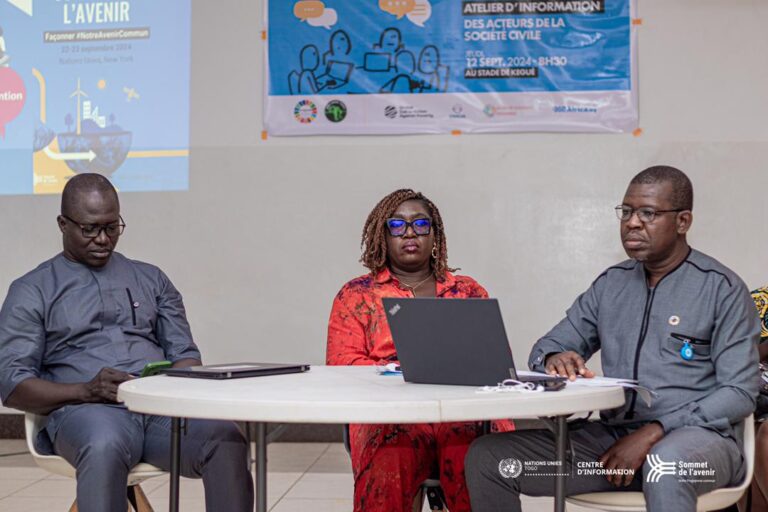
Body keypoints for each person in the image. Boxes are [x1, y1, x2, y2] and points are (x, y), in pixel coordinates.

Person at [465, 166, 759, 512]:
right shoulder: (611, 285)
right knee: (491, 459)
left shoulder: (720, 289)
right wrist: (554, 358)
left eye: (648, 213)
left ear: (683, 221)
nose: (633, 222)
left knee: (664, 467)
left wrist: (655, 431)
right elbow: (550, 344)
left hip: (698, 449)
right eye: (627, 211)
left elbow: (740, 393)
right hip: (610, 451)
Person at [0, 174, 253, 512]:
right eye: (90, 229)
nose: (103, 239)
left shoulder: (151, 278)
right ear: (63, 224)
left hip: (159, 412)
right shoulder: (32, 290)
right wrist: (86, 391)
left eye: (112, 227)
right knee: (104, 444)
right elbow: (13, 385)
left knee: (226, 438)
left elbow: (185, 355)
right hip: (85, 413)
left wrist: (177, 385)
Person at [326, 189, 496, 512]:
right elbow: (342, 367)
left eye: (420, 223)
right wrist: (400, 371)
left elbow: (491, 359)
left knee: (475, 456)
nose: (409, 232)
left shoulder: (469, 292)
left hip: (460, 413)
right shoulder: (355, 297)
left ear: (435, 235)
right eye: (397, 225)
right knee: (392, 458)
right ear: (382, 234)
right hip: (388, 417)